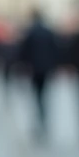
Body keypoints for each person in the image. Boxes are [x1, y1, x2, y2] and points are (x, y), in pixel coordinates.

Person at [17, 10, 60, 142]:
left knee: (36, 96)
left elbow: (23, 51)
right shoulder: (49, 31)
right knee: (44, 95)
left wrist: (23, 66)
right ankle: (44, 120)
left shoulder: (30, 32)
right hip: (46, 68)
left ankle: (38, 121)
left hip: (34, 69)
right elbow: (56, 49)